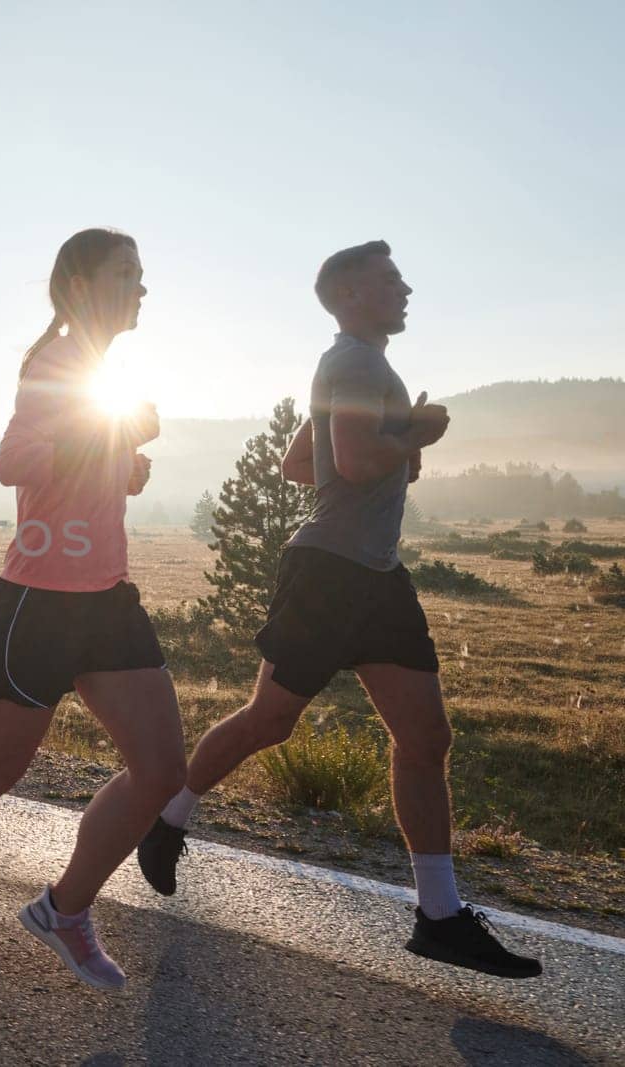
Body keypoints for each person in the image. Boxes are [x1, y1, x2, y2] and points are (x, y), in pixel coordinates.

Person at [136, 241, 541, 979]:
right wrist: (413, 434)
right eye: (392, 280)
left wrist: (389, 440)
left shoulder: (357, 365)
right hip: (328, 574)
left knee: (427, 737)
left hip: (376, 577)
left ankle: (440, 915)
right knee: (270, 721)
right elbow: (352, 463)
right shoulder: (354, 362)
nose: (407, 288)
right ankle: (166, 821)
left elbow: (301, 462)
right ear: (353, 294)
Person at [0, 228, 183, 991]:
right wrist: (112, 435)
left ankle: (64, 908)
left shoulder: (100, 370)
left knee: (161, 769)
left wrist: (126, 466)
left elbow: (88, 467)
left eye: (144, 273)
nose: (143, 287)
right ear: (85, 285)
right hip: (40, 605)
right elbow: (12, 461)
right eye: (129, 273)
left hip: (108, 600)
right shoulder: (55, 363)